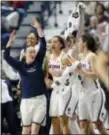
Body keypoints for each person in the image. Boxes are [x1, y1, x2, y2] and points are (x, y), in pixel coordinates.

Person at [4, 18, 47, 135]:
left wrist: (38, 28)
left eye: (34, 52)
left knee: (34, 131)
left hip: (40, 100)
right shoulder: (21, 66)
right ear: (26, 54)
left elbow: (43, 43)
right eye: (30, 52)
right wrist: (10, 42)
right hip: (26, 101)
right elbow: (6, 57)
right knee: (25, 130)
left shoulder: (38, 61)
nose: (33, 54)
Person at [77, 34, 107, 134]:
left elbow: (95, 75)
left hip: (95, 93)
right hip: (83, 93)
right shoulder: (81, 56)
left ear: (84, 43)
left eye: (79, 42)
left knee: (98, 123)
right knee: (83, 123)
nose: (78, 44)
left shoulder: (92, 56)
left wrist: (81, 71)